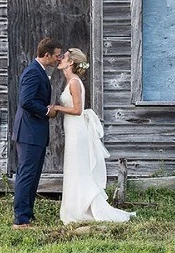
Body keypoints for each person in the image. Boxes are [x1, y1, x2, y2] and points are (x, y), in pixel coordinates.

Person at [52, 48, 135, 224]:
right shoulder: (70, 81)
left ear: (71, 62)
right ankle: (75, 207)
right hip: (72, 129)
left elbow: (77, 109)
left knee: (79, 168)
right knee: (74, 168)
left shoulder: (74, 82)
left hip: (77, 131)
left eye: (64, 57)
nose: (60, 59)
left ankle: (83, 208)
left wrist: (57, 108)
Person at [12, 36, 63, 229]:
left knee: (33, 175)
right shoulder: (33, 72)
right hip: (28, 133)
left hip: (35, 133)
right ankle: (21, 219)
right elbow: (26, 101)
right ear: (46, 54)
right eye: (56, 56)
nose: (58, 59)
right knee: (26, 174)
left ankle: (28, 213)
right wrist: (46, 110)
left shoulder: (40, 71)